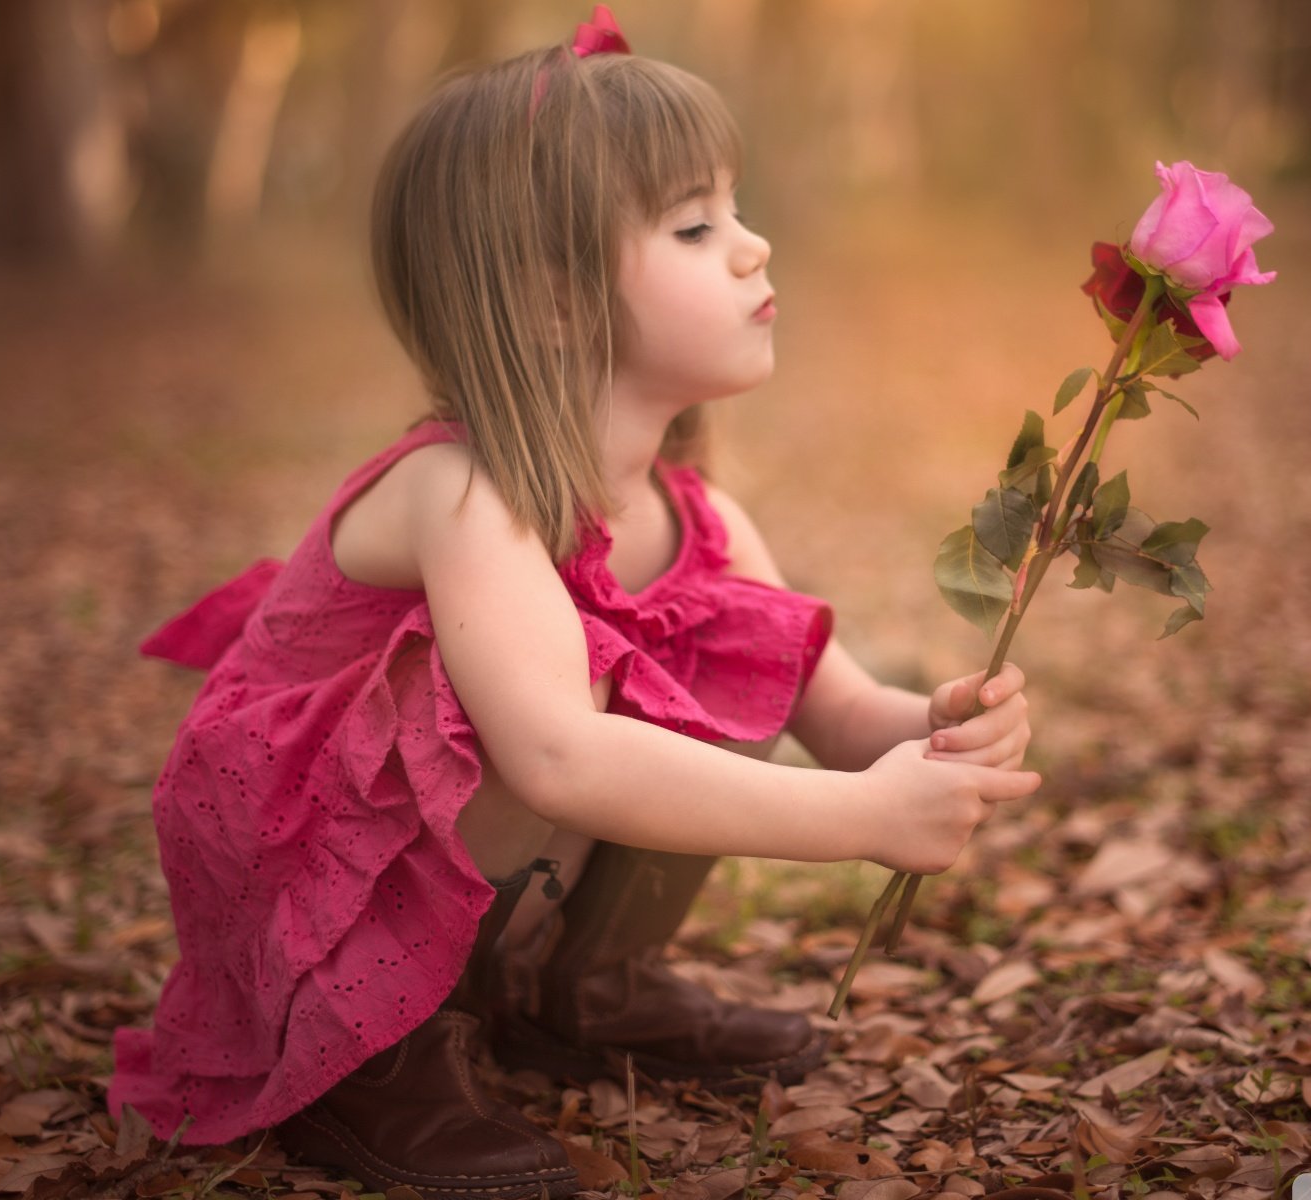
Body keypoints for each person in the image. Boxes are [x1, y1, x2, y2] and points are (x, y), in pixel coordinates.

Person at [105, 7, 1040, 1198]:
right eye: (697, 227)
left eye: (736, 213)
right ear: (550, 300)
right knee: (565, 692)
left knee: (720, 638)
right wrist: (860, 820)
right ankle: (367, 1049)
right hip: (303, 863)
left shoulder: (696, 520)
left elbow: (838, 708)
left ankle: (573, 987)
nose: (754, 248)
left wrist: (941, 729)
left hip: (455, 827)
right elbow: (550, 756)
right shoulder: (461, 491)